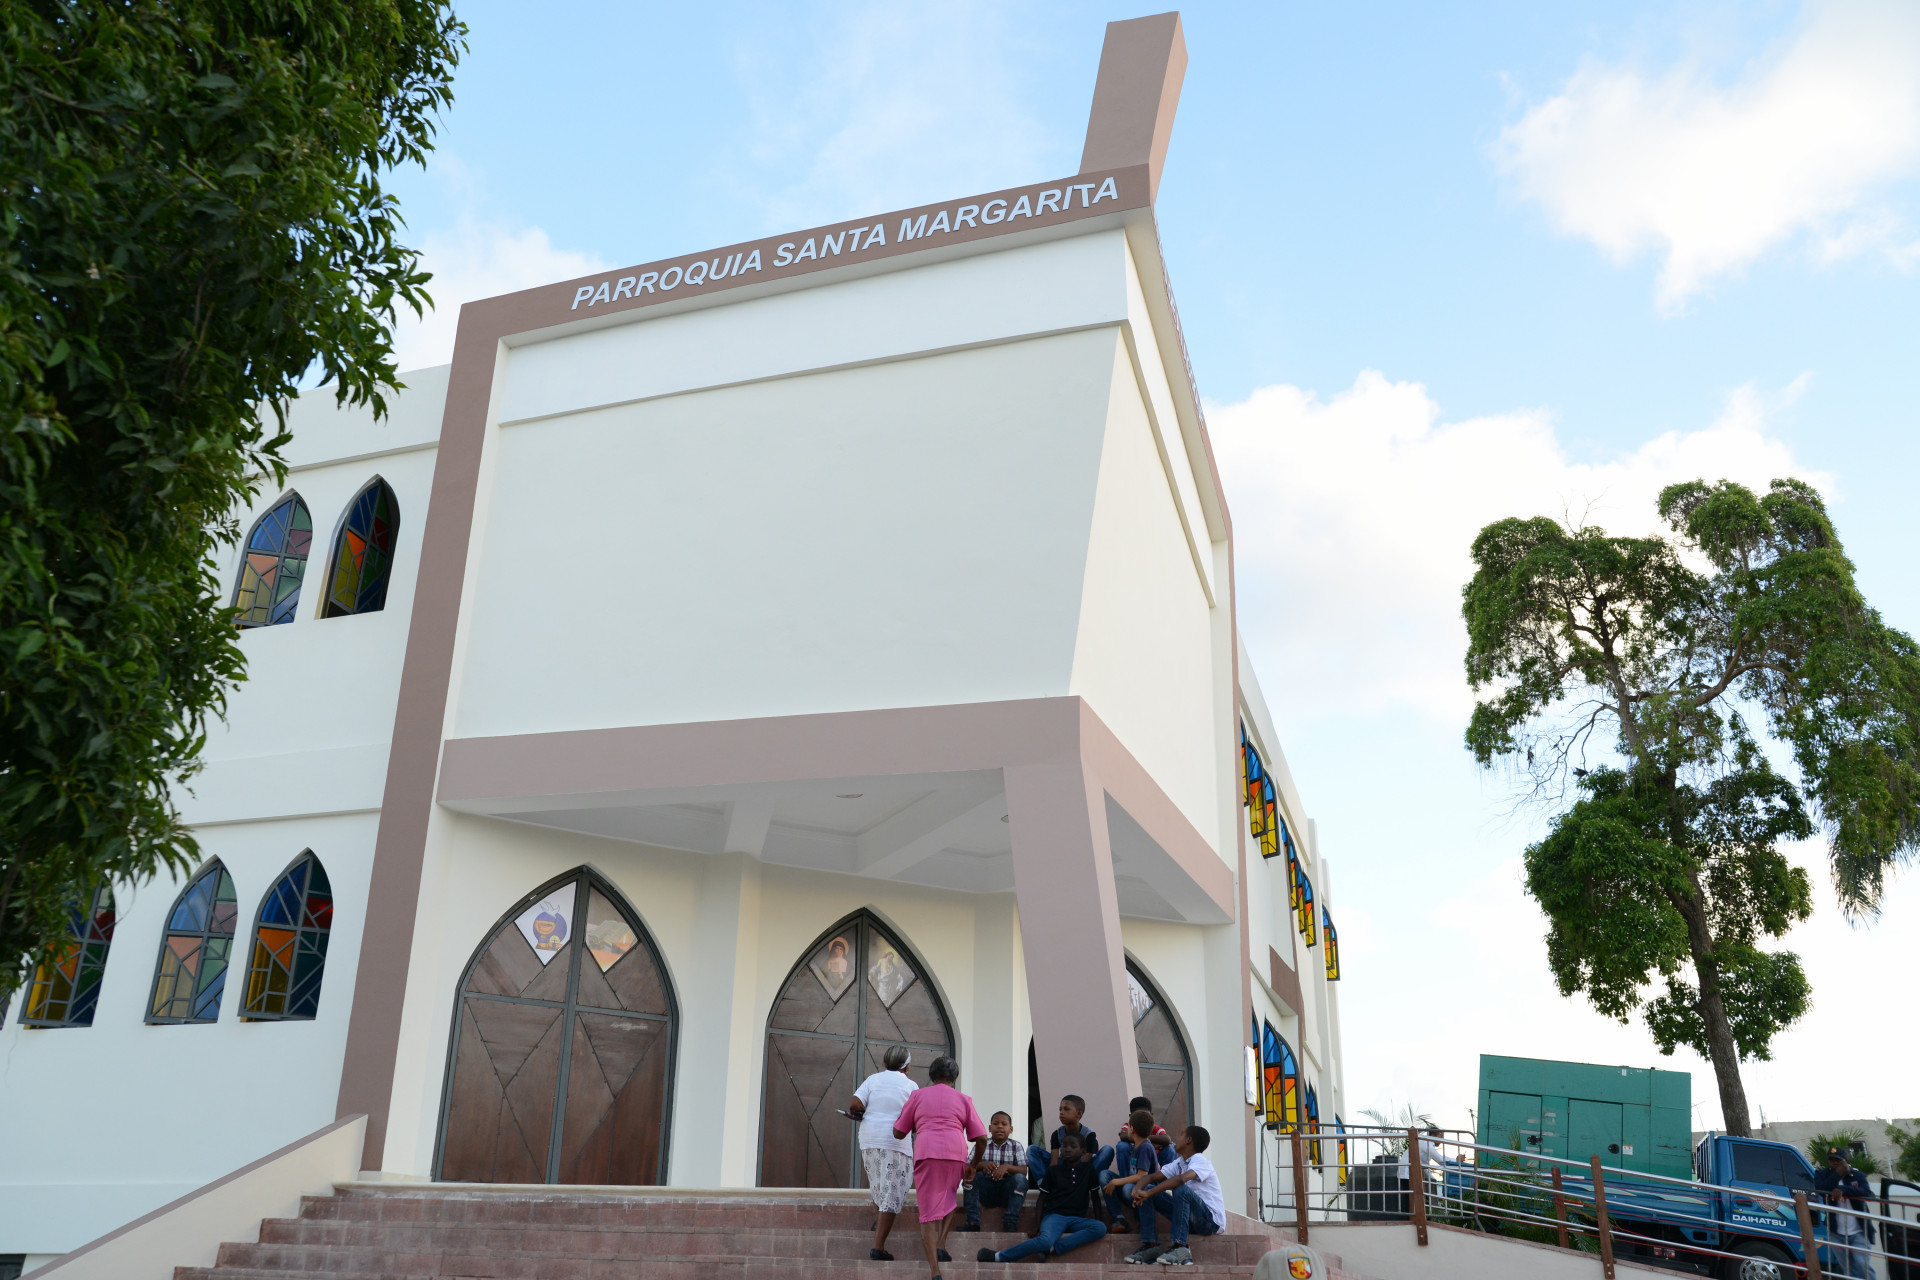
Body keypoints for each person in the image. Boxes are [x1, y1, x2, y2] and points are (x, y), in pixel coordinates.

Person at [892, 1054, 988, 1280]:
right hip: (956, 1154)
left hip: (928, 1152)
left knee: (927, 1213)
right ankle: (941, 1243)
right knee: (949, 1196)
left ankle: (935, 1270)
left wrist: (918, 1123)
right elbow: (982, 1138)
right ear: (954, 1077)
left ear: (932, 1075)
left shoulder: (918, 1096)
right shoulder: (964, 1099)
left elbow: (898, 1132)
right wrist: (973, 1165)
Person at [977, 1130, 1108, 1263]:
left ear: (1083, 1152)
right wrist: (1038, 1225)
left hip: (1077, 1219)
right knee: (1045, 1241)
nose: (1067, 1149)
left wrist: (1100, 1220)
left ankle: (1053, 1248)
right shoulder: (1053, 1171)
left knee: (1100, 1228)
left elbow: (1095, 1198)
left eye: (1073, 1146)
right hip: (1054, 1217)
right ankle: (999, 1256)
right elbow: (1041, 1200)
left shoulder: (1088, 1170)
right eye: (1064, 1146)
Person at [846, 1044, 918, 1261]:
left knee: (878, 1184)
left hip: (869, 1139)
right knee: (893, 1190)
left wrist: (864, 1112)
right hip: (895, 1141)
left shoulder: (873, 1079)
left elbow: (855, 1103)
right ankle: (878, 1246)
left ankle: (879, 1221)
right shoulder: (910, 1085)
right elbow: (915, 1115)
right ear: (907, 1066)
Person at [1125, 1125, 1226, 1266]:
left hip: (1209, 1222)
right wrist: (1137, 1190)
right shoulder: (1180, 1162)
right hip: (1190, 1218)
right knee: (1148, 1188)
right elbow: (1150, 1177)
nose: (1176, 1139)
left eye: (1181, 1135)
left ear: (1188, 1140)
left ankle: (1181, 1248)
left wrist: (1148, 1193)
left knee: (1180, 1189)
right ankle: (1151, 1246)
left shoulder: (1201, 1161)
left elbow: (1181, 1179)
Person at [1815, 1149, 1877, 1280]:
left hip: (1859, 1231)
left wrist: (1843, 1189)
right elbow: (1821, 1189)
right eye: (1831, 1159)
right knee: (1848, 1270)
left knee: (1862, 1265)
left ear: (1846, 1161)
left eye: (1838, 1160)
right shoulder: (1822, 1174)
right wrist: (1838, 1174)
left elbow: (1866, 1192)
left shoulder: (1857, 1175)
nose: (1834, 1162)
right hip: (1836, 1233)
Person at [962, 1111, 1027, 1233]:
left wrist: (1007, 1167)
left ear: (1011, 1129)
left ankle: (1010, 1222)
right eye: (996, 1124)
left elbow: (1024, 1171)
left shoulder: (1016, 1146)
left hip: (1007, 1192)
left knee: (1020, 1179)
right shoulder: (981, 1145)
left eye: (1004, 1124)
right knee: (970, 1177)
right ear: (990, 1128)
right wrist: (981, 1165)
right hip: (985, 1191)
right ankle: (972, 1222)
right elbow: (966, 1168)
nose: (1000, 1127)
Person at [1027, 1094, 1114, 1186]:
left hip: (1083, 1169)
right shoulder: (1057, 1134)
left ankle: (1084, 1184)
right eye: (1060, 1109)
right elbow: (1054, 1163)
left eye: (1066, 1109)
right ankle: (1044, 1184)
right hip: (1064, 1166)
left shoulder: (1089, 1134)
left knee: (1107, 1150)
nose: (1061, 1112)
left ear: (1079, 1114)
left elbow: (1086, 1161)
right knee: (1032, 1150)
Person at [1103, 1109, 1161, 1232]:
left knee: (1127, 1188)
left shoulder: (1145, 1147)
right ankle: (1119, 1218)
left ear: (1132, 1129)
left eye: (1129, 1127)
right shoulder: (1138, 1146)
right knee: (1104, 1175)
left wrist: (1116, 1182)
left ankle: (1141, 1219)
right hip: (1133, 1188)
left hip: (1144, 1191)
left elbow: (1142, 1176)